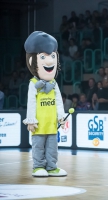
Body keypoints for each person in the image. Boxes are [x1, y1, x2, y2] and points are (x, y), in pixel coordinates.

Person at [23, 31, 67, 177]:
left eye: (52, 56)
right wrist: (31, 120)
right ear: (32, 62)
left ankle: (52, 166)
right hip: (39, 123)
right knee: (38, 146)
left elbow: (59, 101)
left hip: (52, 123)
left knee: (52, 147)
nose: (49, 62)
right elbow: (30, 102)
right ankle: (38, 166)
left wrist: (61, 116)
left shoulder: (54, 84)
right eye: (43, 57)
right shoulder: (33, 83)